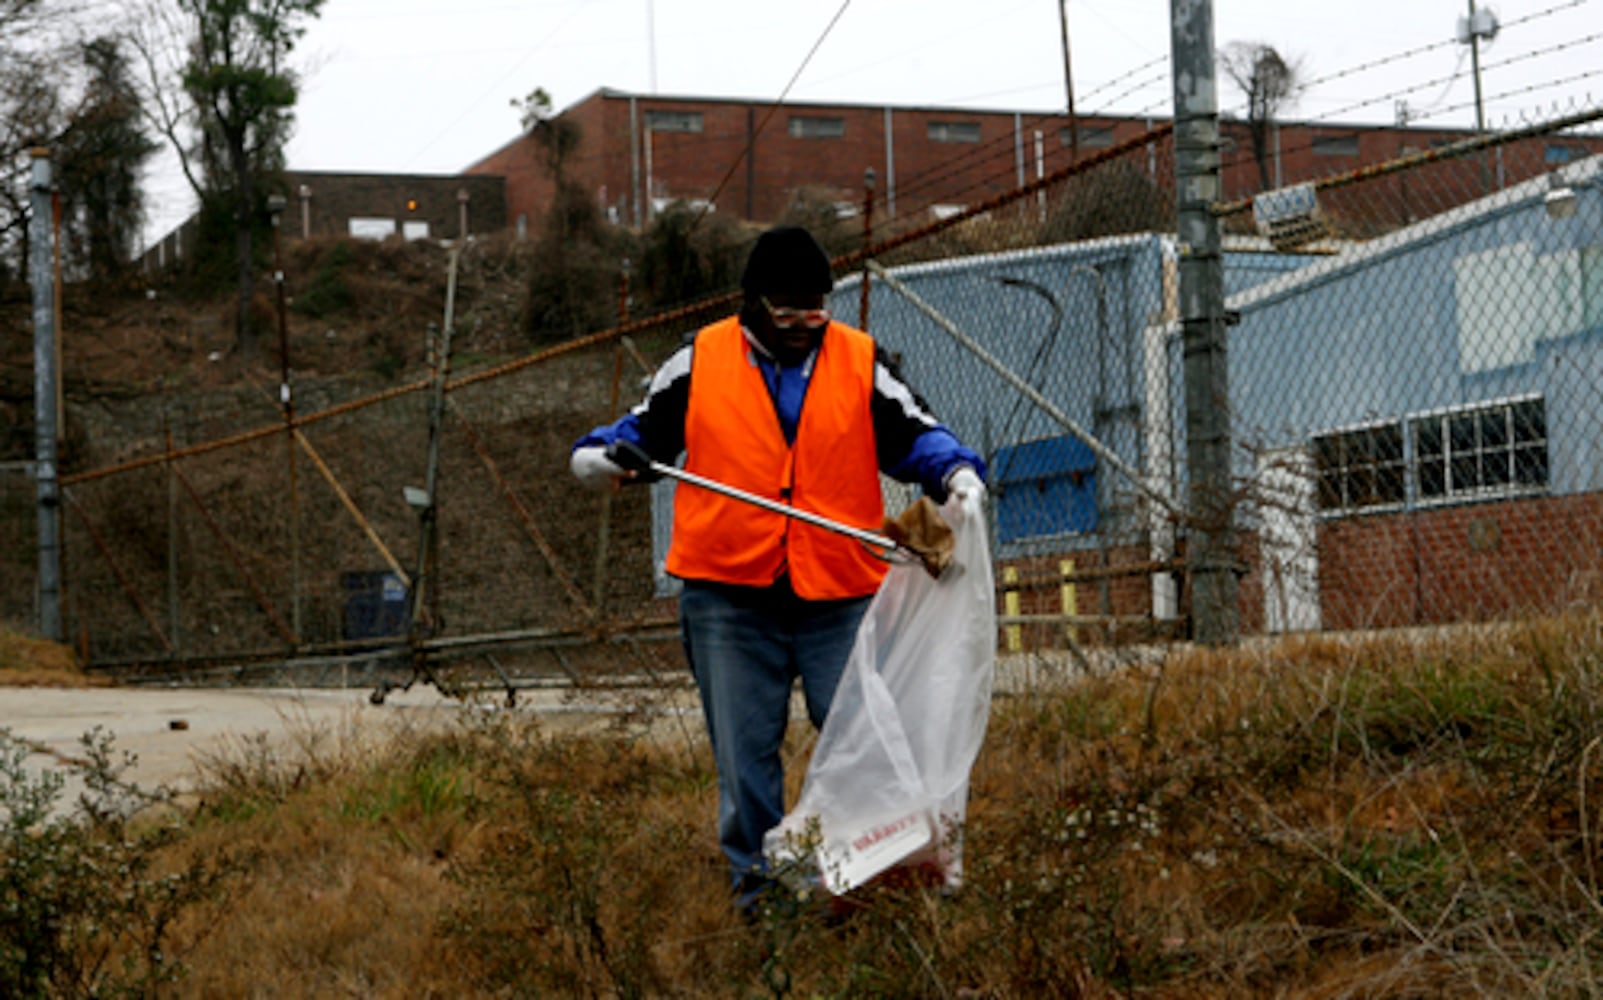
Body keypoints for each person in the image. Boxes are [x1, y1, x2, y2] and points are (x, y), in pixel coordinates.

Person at [570, 225, 986, 912]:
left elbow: (915, 433)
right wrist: (603, 456)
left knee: (867, 738)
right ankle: (763, 902)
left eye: (816, 308)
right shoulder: (699, 360)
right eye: (787, 311)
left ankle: (873, 878)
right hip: (728, 597)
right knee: (745, 760)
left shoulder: (858, 359)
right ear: (752, 304)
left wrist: (956, 473)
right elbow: (637, 430)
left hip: (838, 593)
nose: (803, 324)